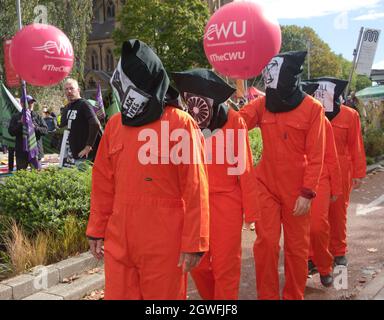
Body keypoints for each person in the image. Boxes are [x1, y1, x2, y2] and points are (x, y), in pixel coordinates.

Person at [86, 40, 210, 300]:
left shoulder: (180, 124)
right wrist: (97, 228)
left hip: (165, 243)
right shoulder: (115, 125)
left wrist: (195, 242)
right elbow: (102, 183)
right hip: (120, 240)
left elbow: (196, 186)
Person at [239, 51, 326, 300]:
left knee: (296, 249)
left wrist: (307, 192)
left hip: (297, 189)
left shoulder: (312, 109)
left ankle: (293, 296)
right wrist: (216, 113)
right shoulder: (263, 104)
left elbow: (316, 155)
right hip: (265, 184)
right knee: (265, 244)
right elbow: (239, 122)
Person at [172, 68, 258, 300]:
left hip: (226, 203)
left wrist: (251, 212)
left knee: (226, 265)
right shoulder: (184, 121)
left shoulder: (234, 120)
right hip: (193, 205)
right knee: (197, 264)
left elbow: (245, 168)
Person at [309, 77, 366, 267]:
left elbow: (355, 145)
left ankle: (339, 251)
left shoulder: (350, 116)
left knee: (338, 213)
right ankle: (312, 254)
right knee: (315, 215)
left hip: (341, 169)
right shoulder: (311, 113)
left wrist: (358, 172)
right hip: (316, 168)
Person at [301, 82, 343, 287]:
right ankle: (307, 260)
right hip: (295, 180)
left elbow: (331, 156)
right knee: (300, 229)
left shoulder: (322, 121)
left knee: (318, 227)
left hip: (320, 181)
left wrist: (335, 187)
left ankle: (325, 266)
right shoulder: (285, 116)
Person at [59, 78, 101, 165]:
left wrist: (88, 146)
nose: (69, 91)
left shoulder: (84, 104)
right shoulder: (67, 107)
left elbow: (95, 124)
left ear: (78, 90)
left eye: (71, 88)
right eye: (66, 89)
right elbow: (63, 126)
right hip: (74, 154)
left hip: (86, 155)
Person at [8, 95, 48, 170]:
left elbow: (45, 130)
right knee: (21, 176)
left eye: (32, 102)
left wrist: (34, 128)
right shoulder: (16, 117)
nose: (31, 104)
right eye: (29, 102)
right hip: (21, 152)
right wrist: (20, 124)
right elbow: (11, 132)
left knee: (37, 176)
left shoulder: (37, 116)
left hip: (36, 152)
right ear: (22, 104)